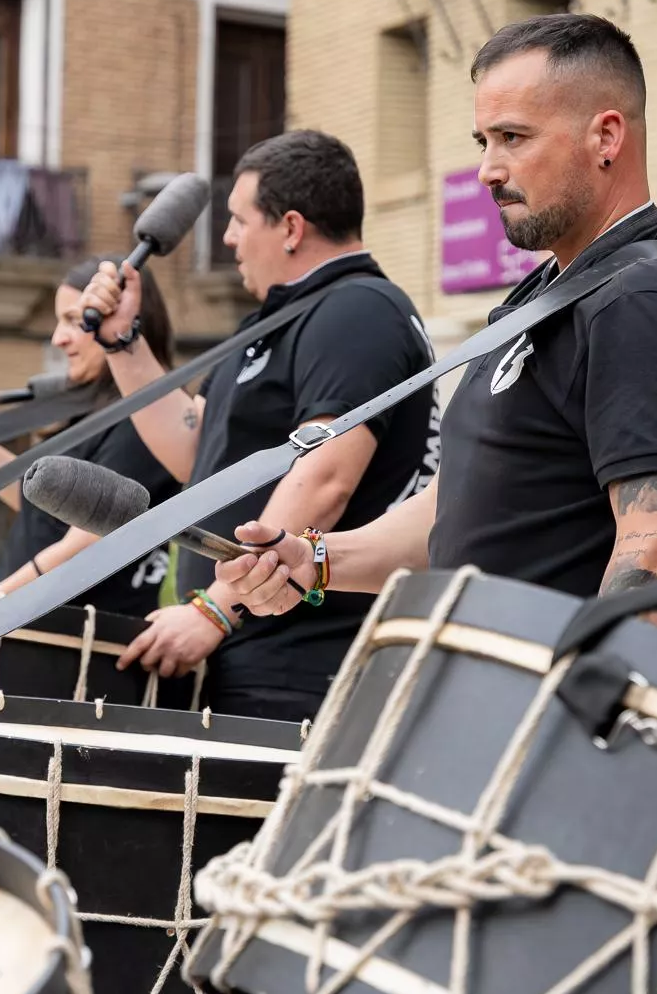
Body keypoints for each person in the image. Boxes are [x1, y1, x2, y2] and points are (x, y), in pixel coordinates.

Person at [213, 15, 657, 650]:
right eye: (484, 142)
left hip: (547, 703)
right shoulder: (554, 294)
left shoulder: (644, 301)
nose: (488, 171)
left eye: (513, 137)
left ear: (605, 136)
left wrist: (580, 700)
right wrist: (316, 560)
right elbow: (457, 509)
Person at [81, 130, 439, 722]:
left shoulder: (358, 310)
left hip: (305, 662)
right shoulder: (283, 320)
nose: (228, 238)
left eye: (239, 220)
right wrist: (124, 342)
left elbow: (326, 475)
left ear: (291, 228)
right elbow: (197, 454)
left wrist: (216, 608)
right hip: (255, 648)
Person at [0, 259, 181, 618]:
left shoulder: (149, 416)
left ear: (125, 319)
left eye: (74, 321)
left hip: (80, 635)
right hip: (40, 627)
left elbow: (84, 544)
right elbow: (44, 508)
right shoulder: (97, 411)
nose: (58, 339)